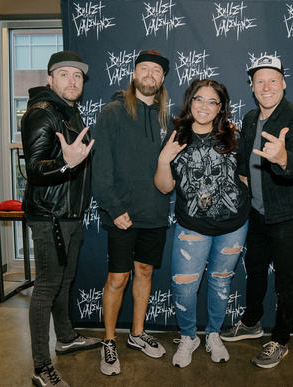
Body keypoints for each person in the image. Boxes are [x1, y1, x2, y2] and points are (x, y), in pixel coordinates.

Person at [220, 55, 293, 369]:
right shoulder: (249, 119)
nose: (266, 86)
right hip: (258, 214)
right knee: (255, 271)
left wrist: (284, 158)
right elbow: (244, 161)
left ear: (283, 83)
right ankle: (252, 322)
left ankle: (281, 339)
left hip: (287, 215)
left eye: (273, 79)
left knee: (286, 280)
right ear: (252, 87)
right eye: (260, 81)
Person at [154, 79, 250, 368]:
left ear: (221, 107)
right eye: (199, 99)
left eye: (212, 101)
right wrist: (163, 160)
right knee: (184, 287)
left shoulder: (233, 136)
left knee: (220, 284)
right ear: (189, 102)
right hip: (192, 225)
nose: (205, 106)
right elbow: (164, 187)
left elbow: (244, 177)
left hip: (233, 226)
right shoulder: (176, 135)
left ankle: (213, 335)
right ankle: (187, 336)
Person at [92, 49, 174, 376]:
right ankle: (109, 341)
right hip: (121, 214)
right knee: (117, 278)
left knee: (144, 272)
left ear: (163, 78)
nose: (150, 74)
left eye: (156, 69)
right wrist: (114, 208)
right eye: (144, 68)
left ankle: (137, 334)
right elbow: (101, 170)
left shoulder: (168, 118)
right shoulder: (111, 113)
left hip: (155, 212)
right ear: (134, 74)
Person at [21, 50, 99, 387]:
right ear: (50, 79)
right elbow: (35, 170)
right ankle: (41, 367)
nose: (72, 81)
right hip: (50, 217)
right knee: (47, 287)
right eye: (64, 74)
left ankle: (65, 337)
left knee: (65, 282)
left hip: (69, 216)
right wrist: (66, 164)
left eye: (78, 76)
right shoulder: (43, 112)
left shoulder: (69, 112)